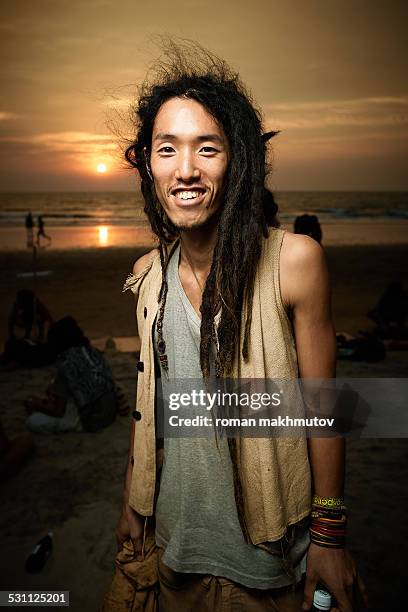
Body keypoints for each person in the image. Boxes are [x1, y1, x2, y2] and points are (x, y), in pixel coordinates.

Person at [104, 42, 366, 612]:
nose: (186, 170)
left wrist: (329, 536)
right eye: (166, 149)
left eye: (207, 148)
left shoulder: (294, 263)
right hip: (175, 549)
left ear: (237, 160)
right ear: (148, 164)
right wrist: (132, 502)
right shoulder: (148, 277)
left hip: (266, 561)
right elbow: (151, 404)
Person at [25, 317, 117, 434]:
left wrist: (36, 405)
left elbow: (58, 411)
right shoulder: (92, 352)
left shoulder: (65, 363)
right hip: (110, 412)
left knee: (32, 421)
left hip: (91, 419)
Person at [1, 290, 54, 368]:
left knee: (40, 319)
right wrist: (12, 334)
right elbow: (11, 320)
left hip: (32, 324)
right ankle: (30, 336)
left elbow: (48, 317)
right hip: (24, 323)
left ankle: (38, 336)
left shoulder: (36, 305)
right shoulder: (19, 305)